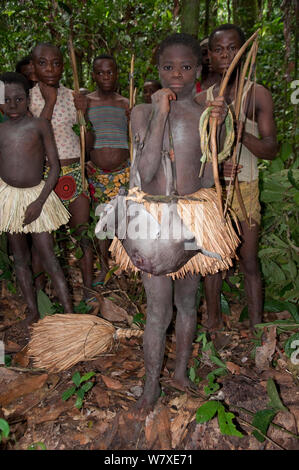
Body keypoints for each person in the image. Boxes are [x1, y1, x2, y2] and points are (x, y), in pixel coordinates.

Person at [129, 33, 228, 412]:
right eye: (168, 67)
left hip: (192, 217)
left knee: (188, 303)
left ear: (198, 71)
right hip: (152, 220)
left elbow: (204, 179)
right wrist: (161, 114)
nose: (177, 75)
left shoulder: (207, 114)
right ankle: (150, 385)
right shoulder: (142, 111)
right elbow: (147, 168)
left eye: (186, 67)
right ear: (157, 70)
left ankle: (182, 373)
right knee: (159, 310)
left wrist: (219, 154)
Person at [195, 24, 278, 330]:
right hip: (213, 191)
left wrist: (243, 136)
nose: (226, 54)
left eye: (233, 48)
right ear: (209, 57)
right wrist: (216, 168)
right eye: (219, 49)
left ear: (243, 52)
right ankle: (214, 325)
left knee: (249, 260)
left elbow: (270, 149)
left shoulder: (257, 94)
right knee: (214, 261)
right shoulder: (205, 99)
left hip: (247, 187)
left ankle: (256, 328)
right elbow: (196, 152)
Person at [0, 72, 73, 331]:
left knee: (49, 258)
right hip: (9, 199)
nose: (12, 105)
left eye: (18, 98)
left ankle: (69, 315)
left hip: (37, 198)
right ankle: (32, 311)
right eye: (5, 99)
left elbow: (54, 167)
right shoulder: (1, 130)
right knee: (20, 258)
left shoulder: (40, 125)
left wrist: (40, 202)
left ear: (28, 98)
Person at [29, 43, 94, 300]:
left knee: (83, 234)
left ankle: (89, 292)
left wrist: (84, 114)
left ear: (63, 66)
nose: (50, 69)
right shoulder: (27, 98)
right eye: (43, 63)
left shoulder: (73, 95)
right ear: (33, 68)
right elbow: (34, 138)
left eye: (56, 63)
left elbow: (87, 144)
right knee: (42, 243)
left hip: (74, 172)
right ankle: (40, 296)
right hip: (44, 177)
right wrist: (50, 102)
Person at [75, 54, 130, 284]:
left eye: (110, 72)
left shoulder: (126, 103)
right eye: (100, 72)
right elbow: (81, 136)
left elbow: (134, 137)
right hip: (97, 172)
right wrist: (84, 159)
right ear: (94, 75)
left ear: (116, 74)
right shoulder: (86, 102)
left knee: (125, 220)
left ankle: (125, 264)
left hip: (123, 172)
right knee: (101, 221)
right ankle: (103, 266)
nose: (106, 76)